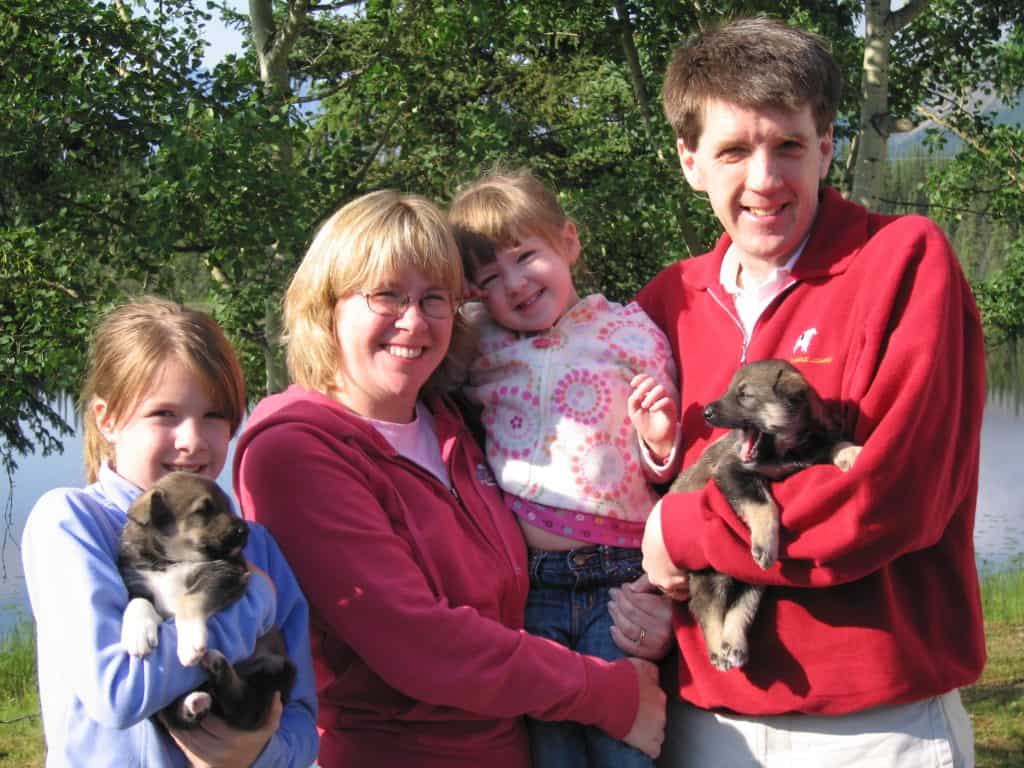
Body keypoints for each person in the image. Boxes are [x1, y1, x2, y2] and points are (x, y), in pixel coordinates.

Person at [638, 17, 986, 767]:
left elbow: (890, 497)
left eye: (788, 146)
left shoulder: (903, 262)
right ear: (689, 160)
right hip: (702, 724)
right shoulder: (664, 303)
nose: (764, 179)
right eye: (733, 150)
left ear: (827, 146)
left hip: (874, 727)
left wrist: (681, 531)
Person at [233, 190, 668, 768]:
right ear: (327, 305)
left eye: (434, 298)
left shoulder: (456, 422)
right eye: (386, 294)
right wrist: (608, 693)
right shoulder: (294, 450)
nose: (413, 321)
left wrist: (646, 612)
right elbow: (418, 641)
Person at [21, 296, 319, 768]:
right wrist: (251, 604)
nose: (193, 440)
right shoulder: (72, 524)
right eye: (164, 414)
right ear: (108, 418)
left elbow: (303, 721)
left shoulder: (256, 543)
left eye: (215, 415)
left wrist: (255, 756)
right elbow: (118, 691)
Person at [448, 169, 680, 768]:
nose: (516, 284)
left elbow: (666, 468)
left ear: (569, 242)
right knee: (552, 749)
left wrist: (659, 438)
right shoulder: (482, 345)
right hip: (533, 588)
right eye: (490, 279)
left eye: (527, 256)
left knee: (625, 743)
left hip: (621, 583)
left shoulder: (629, 331)